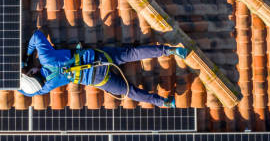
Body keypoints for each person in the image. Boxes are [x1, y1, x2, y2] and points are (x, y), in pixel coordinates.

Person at [18, 28, 189, 108]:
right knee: (131, 54)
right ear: (33, 72)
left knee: (129, 92)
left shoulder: (45, 87)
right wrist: (26, 59)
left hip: (97, 79)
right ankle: (171, 50)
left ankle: (164, 102)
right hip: (98, 58)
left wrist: (24, 82)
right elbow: (36, 35)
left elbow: (29, 92)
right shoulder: (47, 58)